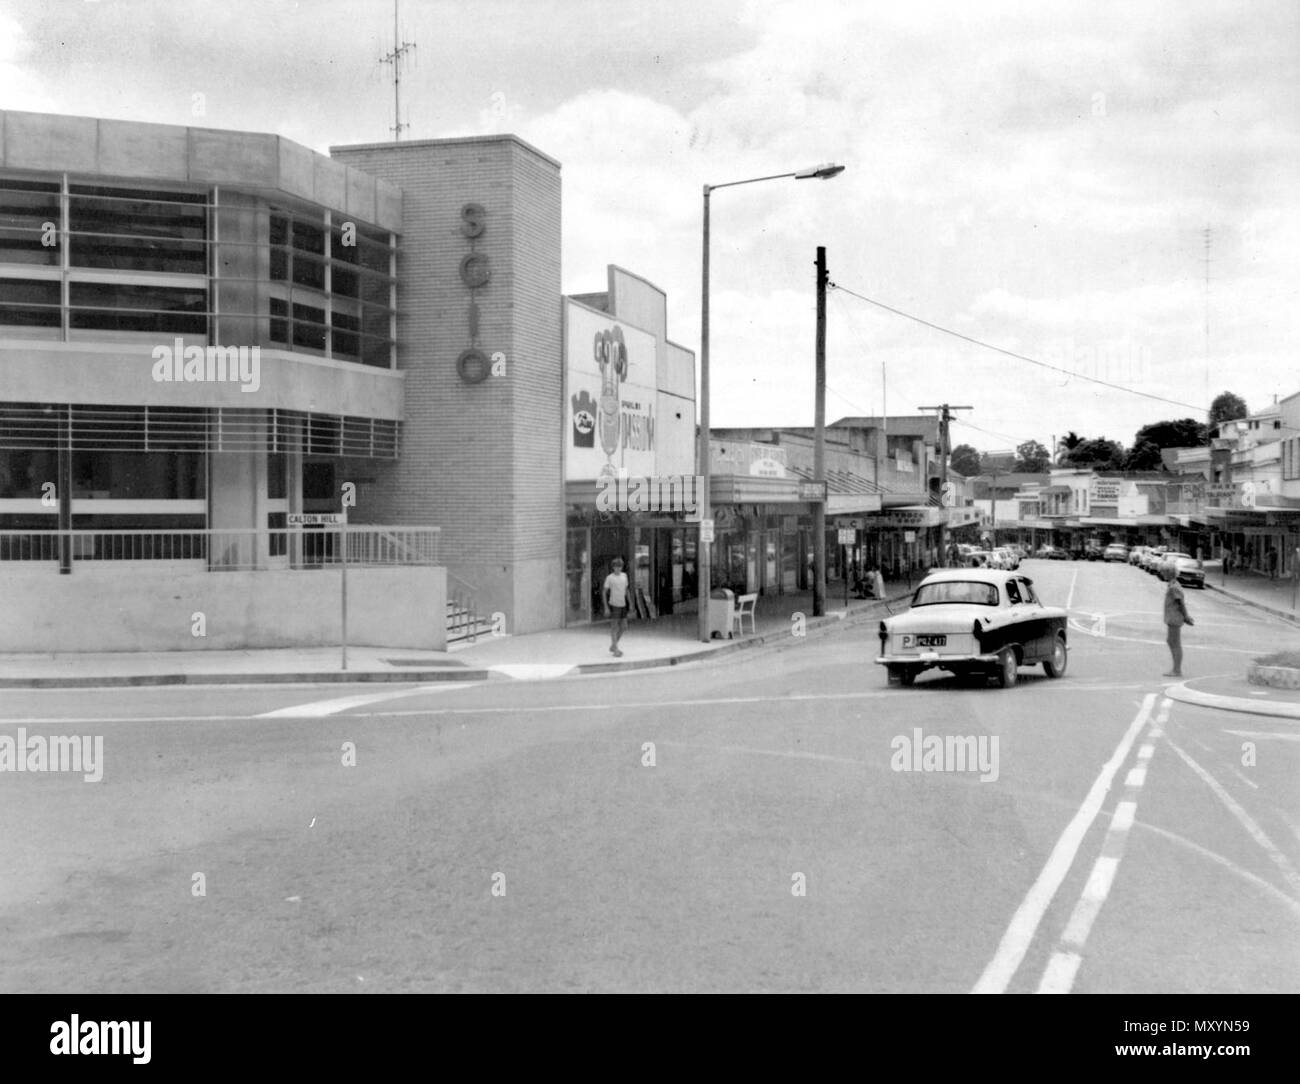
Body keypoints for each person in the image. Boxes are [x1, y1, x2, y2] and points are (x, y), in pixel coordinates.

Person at [1162, 563, 1194, 678]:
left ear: (1169, 572)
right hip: (1172, 616)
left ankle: (1177, 670)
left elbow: (1181, 603)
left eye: (1163, 571)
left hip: (1175, 617)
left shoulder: (1174, 587)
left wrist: (1186, 616)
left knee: (1175, 643)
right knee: (1171, 641)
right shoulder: (1172, 585)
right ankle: (1175, 668)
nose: (1162, 573)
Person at [603, 556, 630, 657]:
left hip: (623, 604)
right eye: (616, 566)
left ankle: (613, 645)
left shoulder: (624, 576)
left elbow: (626, 590)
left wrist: (630, 603)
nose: (618, 568)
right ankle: (616, 650)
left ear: (622, 567)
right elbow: (604, 592)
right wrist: (606, 607)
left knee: (624, 626)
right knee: (614, 627)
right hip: (614, 605)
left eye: (619, 566)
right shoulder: (610, 578)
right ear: (613, 567)